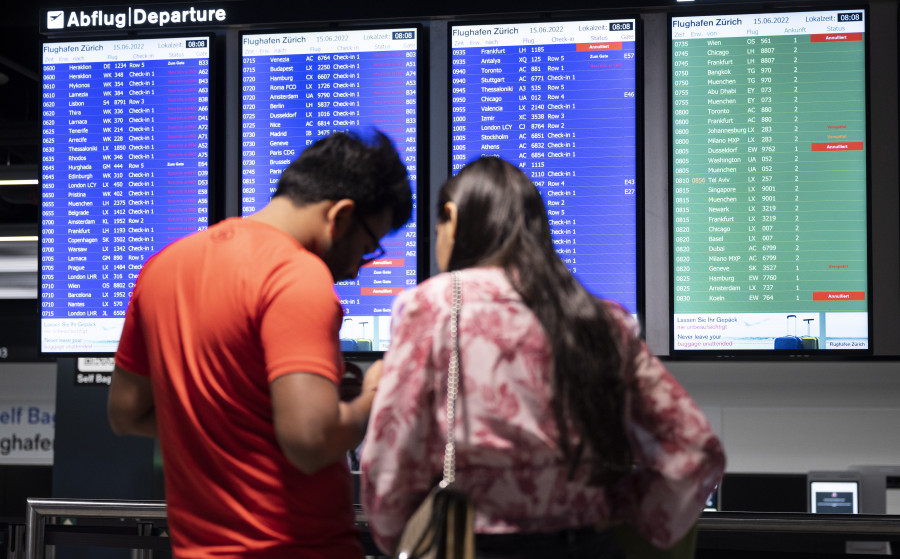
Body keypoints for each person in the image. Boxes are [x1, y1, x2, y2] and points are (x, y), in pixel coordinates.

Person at [360, 156, 725, 558]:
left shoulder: (431, 306)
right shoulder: (601, 318)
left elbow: (391, 459)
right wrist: (627, 511)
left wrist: (397, 536)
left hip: (475, 545)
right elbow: (695, 449)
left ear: (451, 215)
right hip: (590, 545)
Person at [107, 131, 412, 559]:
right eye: (367, 248)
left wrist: (248, 415)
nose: (358, 270)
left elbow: (126, 413)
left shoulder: (162, 268)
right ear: (340, 216)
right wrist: (374, 397)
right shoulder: (297, 276)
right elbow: (309, 442)